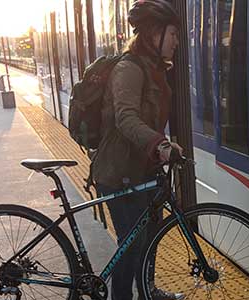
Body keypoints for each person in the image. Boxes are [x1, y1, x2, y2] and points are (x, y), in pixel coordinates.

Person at [89, 0, 184, 299]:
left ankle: (148, 289)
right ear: (154, 34)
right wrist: (159, 144)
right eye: (173, 35)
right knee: (131, 243)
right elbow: (126, 118)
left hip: (142, 168)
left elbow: (149, 118)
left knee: (149, 234)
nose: (177, 42)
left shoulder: (154, 69)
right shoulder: (129, 69)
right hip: (118, 172)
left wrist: (163, 144)